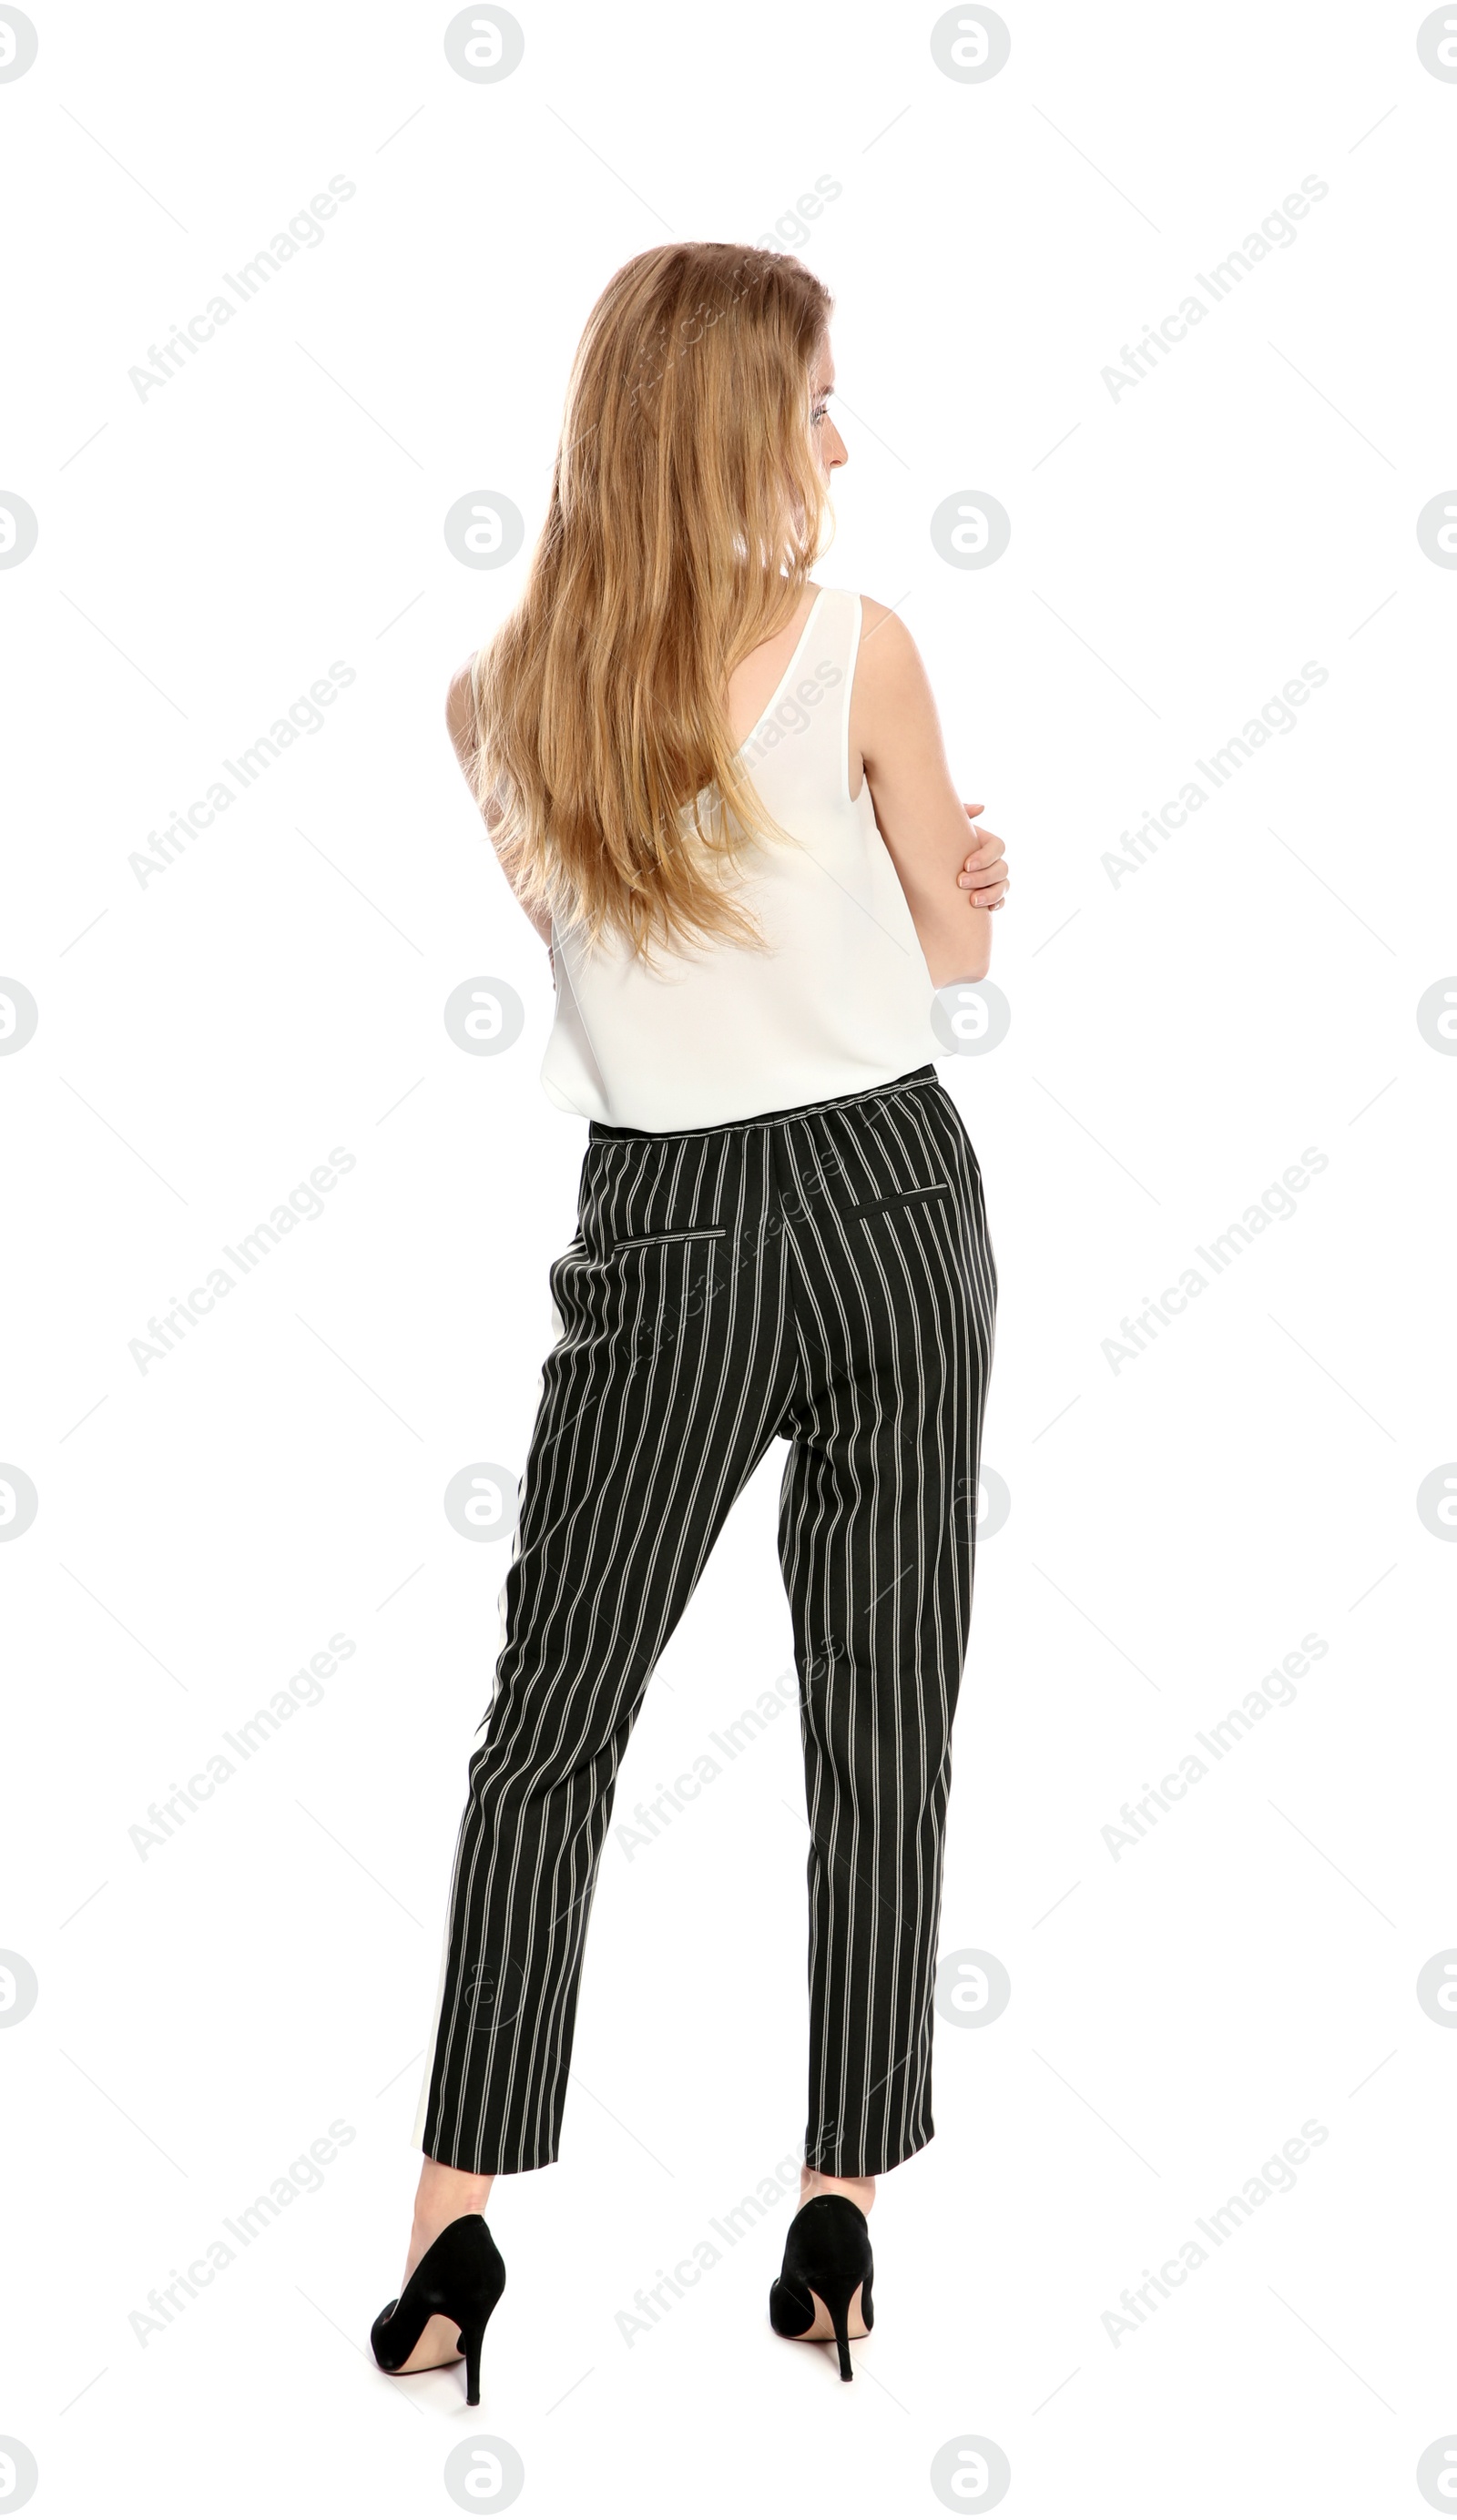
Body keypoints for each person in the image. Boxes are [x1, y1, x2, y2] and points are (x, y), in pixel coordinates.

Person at [370, 240, 1007, 2399]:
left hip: (661, 1231)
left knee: (548, 1723)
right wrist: (962, 878)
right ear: (739, 429)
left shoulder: (497, 698)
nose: (839, 441)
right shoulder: (861, 652)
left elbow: (604, 950)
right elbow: (940, 957)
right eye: (817, 403)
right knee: (878, 1706)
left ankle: (452, 2232)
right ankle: (839, 2199)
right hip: (890, 1202)